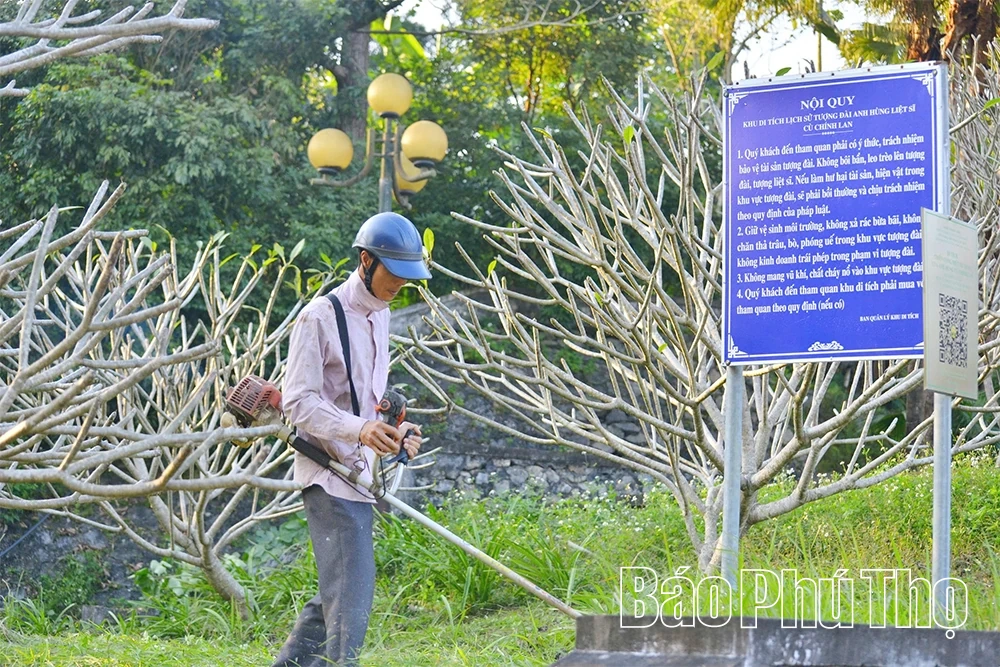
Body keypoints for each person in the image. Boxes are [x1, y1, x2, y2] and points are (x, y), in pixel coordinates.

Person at [271, 211, 431, 666]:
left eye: (408, 277)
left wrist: (394, 433)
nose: (400, 285)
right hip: (328, 473)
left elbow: (369, 403)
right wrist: (359, 429)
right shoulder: (319, 317)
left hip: (360, 474)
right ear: (366, 261)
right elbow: (298, 403)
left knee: (337, 595)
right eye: (393, 274)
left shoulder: (379, 317)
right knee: (352, 599)